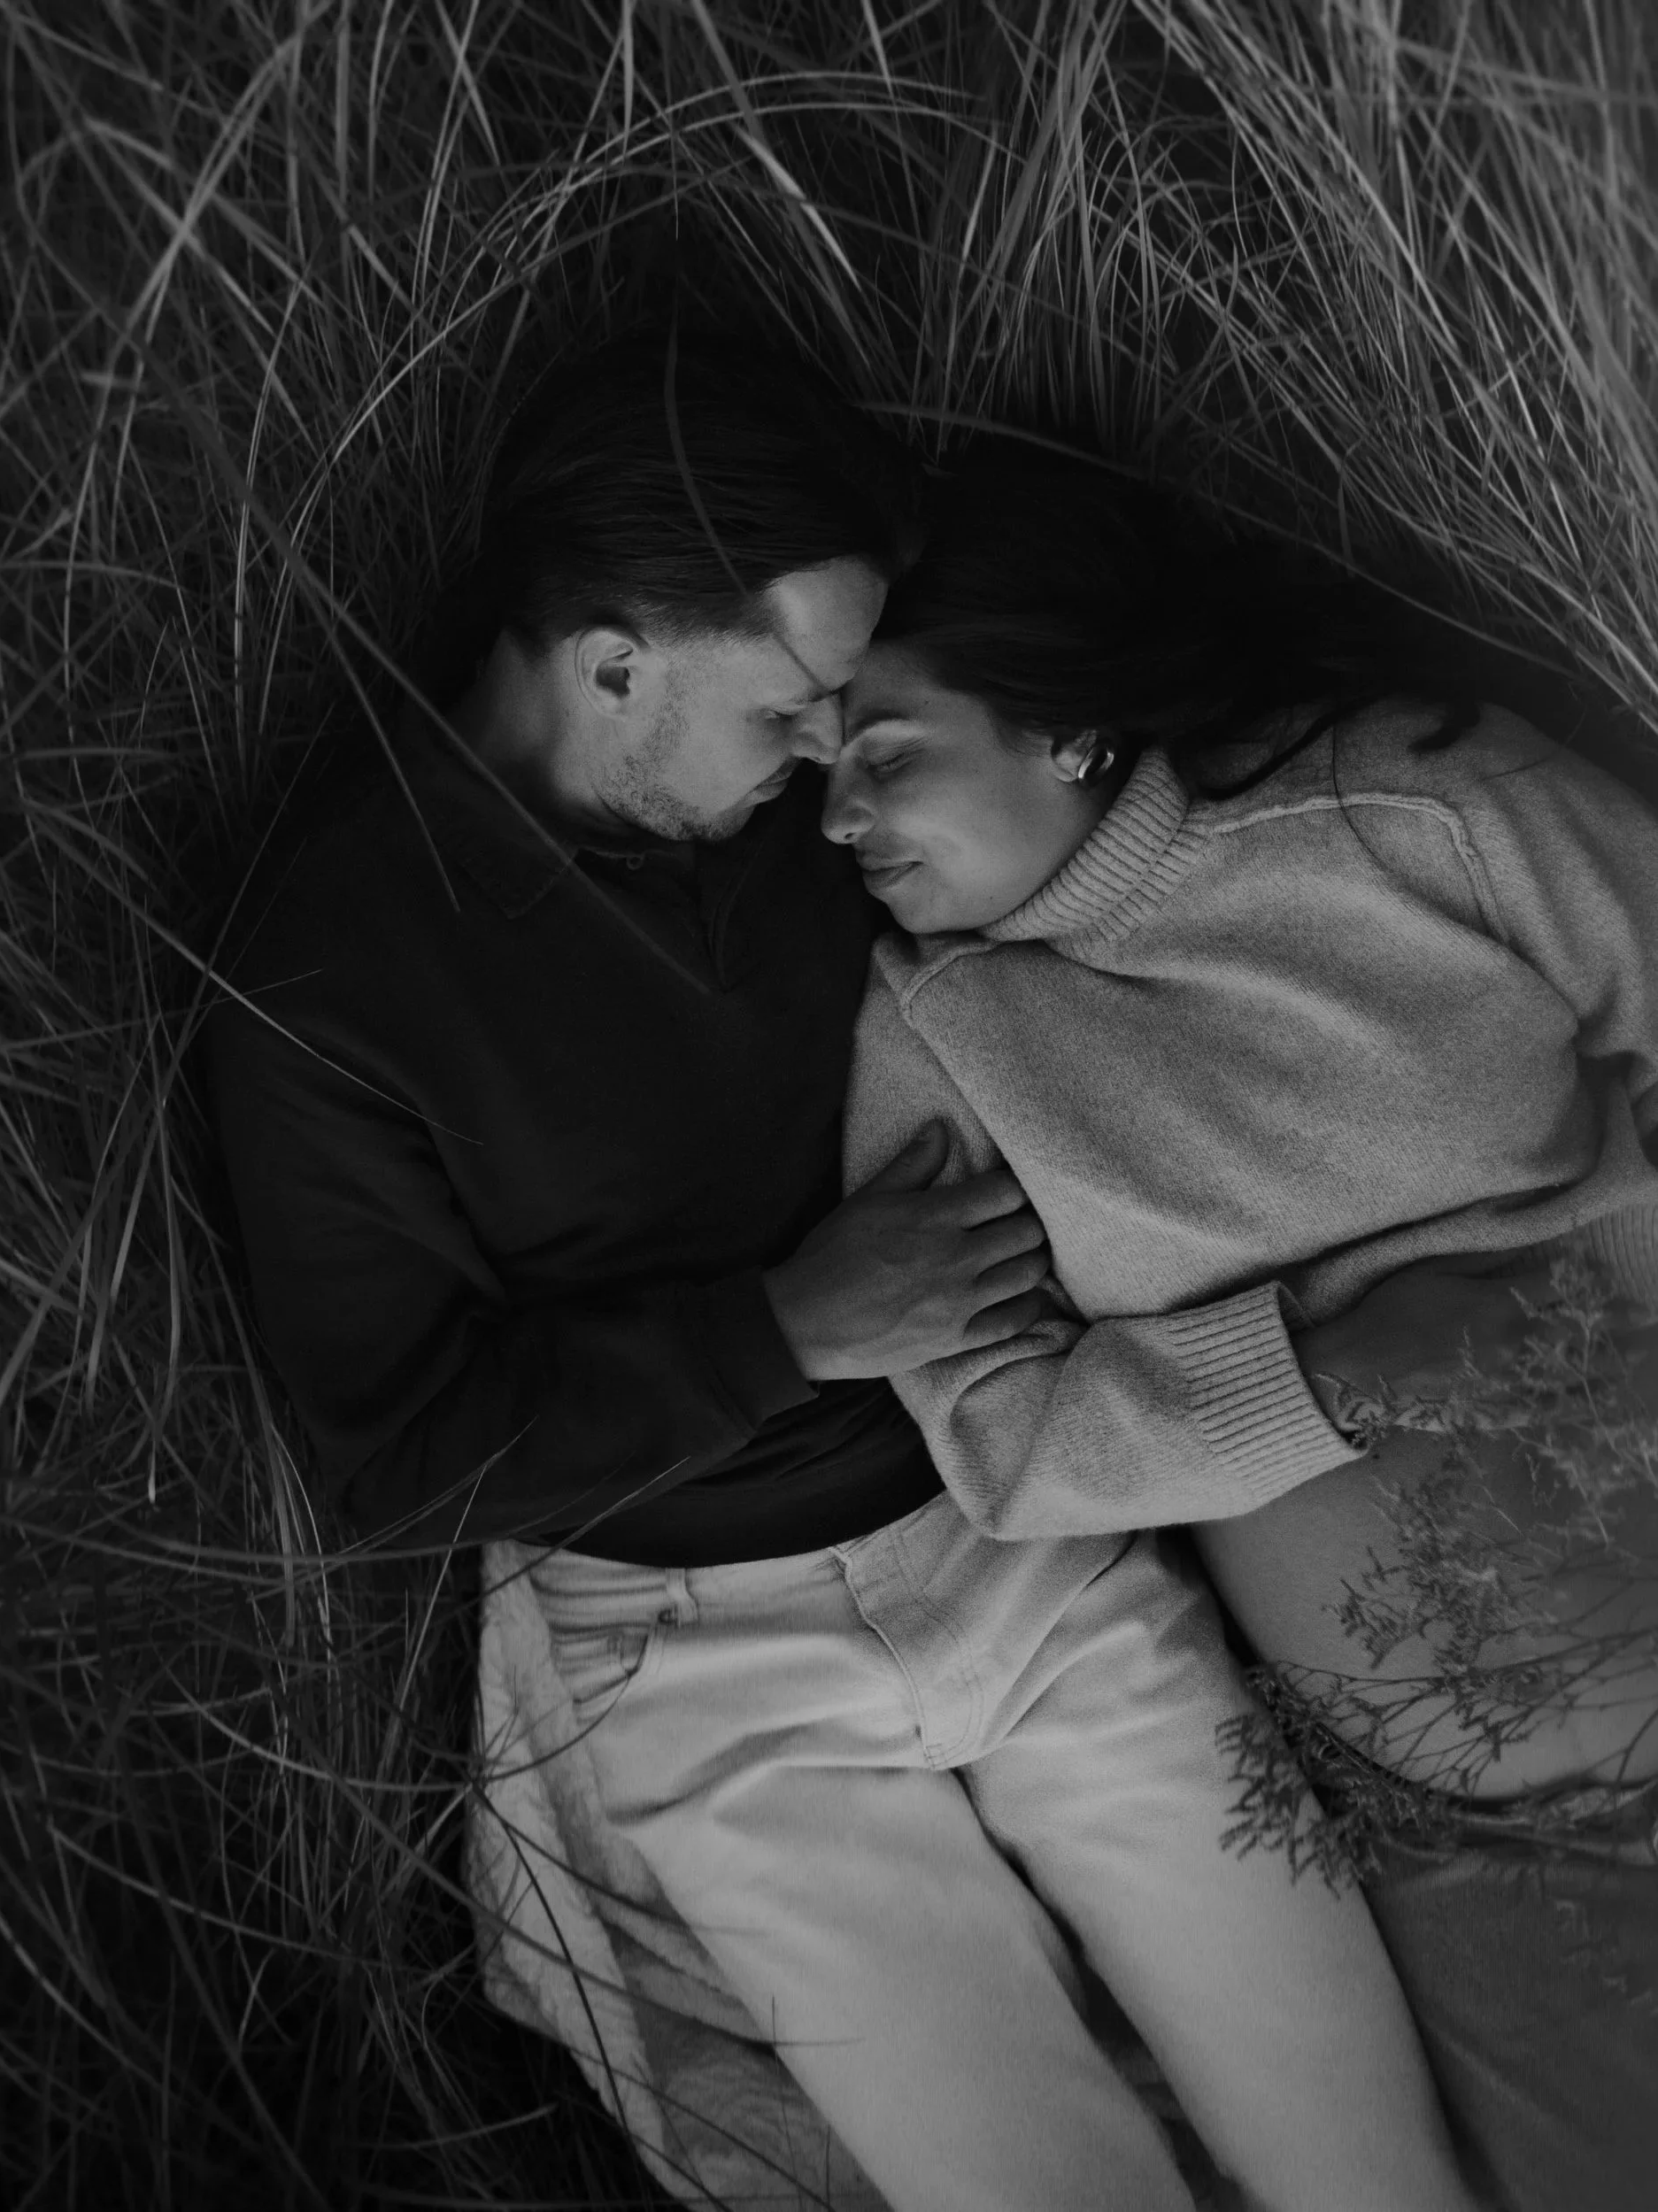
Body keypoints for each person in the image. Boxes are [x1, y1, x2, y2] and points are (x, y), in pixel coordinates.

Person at [204, 333, 1485, 2212]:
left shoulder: (835, 829)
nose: (832, 768)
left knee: (1373, 2164)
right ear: (612, 666)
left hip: (1013, 1530)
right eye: (795, 701)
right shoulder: (331, 980)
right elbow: (395, 1457)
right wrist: (784, 1326)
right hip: (708, 1665)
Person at [829, 450, 1658, 2212]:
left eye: (884, 755)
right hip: (1487, 1843)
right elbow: (1003, 1439)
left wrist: (1608, 1291)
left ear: (1066, 726)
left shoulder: (1410, 803)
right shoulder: (937, 1032)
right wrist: (1327, 1376)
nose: (835, 819)